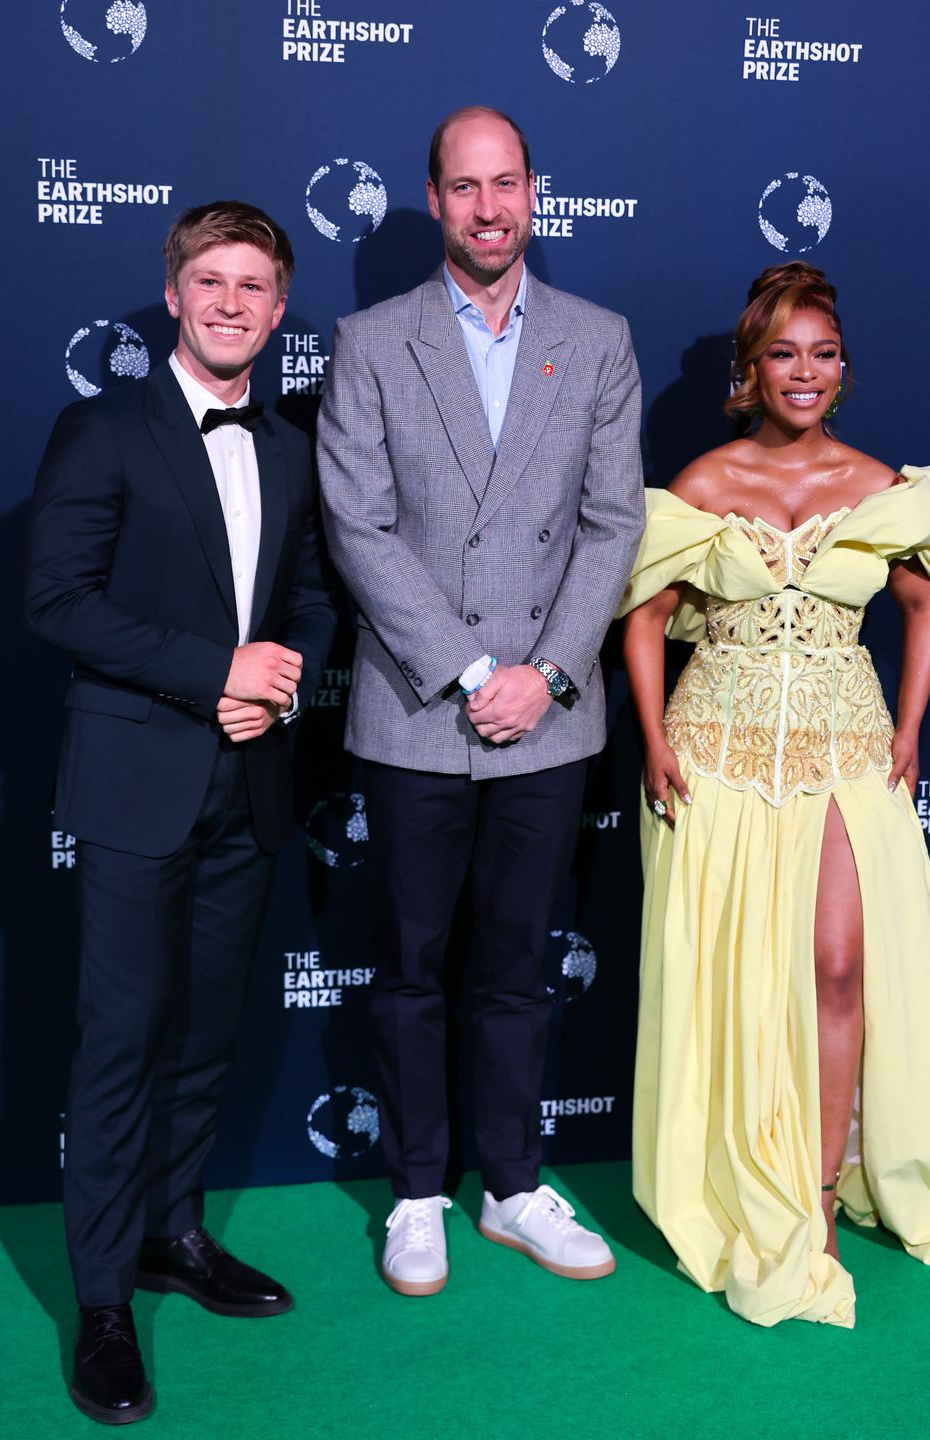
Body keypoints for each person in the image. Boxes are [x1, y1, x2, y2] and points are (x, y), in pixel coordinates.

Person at [620, 262, 930, 1328]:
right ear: (750, 372)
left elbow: (924, 605)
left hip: (847, 754)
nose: (803, 372)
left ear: (843, 370)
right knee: (733, 977)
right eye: (782, 355)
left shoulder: (881, 484)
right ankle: (737, 1173)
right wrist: (658, 737)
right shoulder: (705, 483)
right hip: (715, 756)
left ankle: (817, 1188)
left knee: (838, 965)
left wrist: (908, 728)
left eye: (822, 354)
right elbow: (642, 616)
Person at [317, 106, 644, 1296]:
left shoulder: (598, 339)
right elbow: (359, 525)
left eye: (506, 184)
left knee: (515, 967)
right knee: (408, 966)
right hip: (417, 710)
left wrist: (547, 673)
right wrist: (468, 673)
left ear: (534, 191)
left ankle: (511, 1185)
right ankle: (416, 1195)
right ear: (436, 197)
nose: (489, 208)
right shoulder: (371, 340)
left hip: (551, 715)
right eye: (465, 188)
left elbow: (613, 525)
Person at [26, 200, 336, 1420]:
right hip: (135, 783)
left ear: (276, 308)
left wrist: (283, 682)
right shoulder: (101, 429)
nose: (229, 303)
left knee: (207, 1036)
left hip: (248, 790)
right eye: (210, 280)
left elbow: (310, 601)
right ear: (173, 295)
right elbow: (55, 600)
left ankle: (174, 1235)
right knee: (118, 1045)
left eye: (254, 286)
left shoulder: (293, 449)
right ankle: (104, 1299)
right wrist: (213, 671)